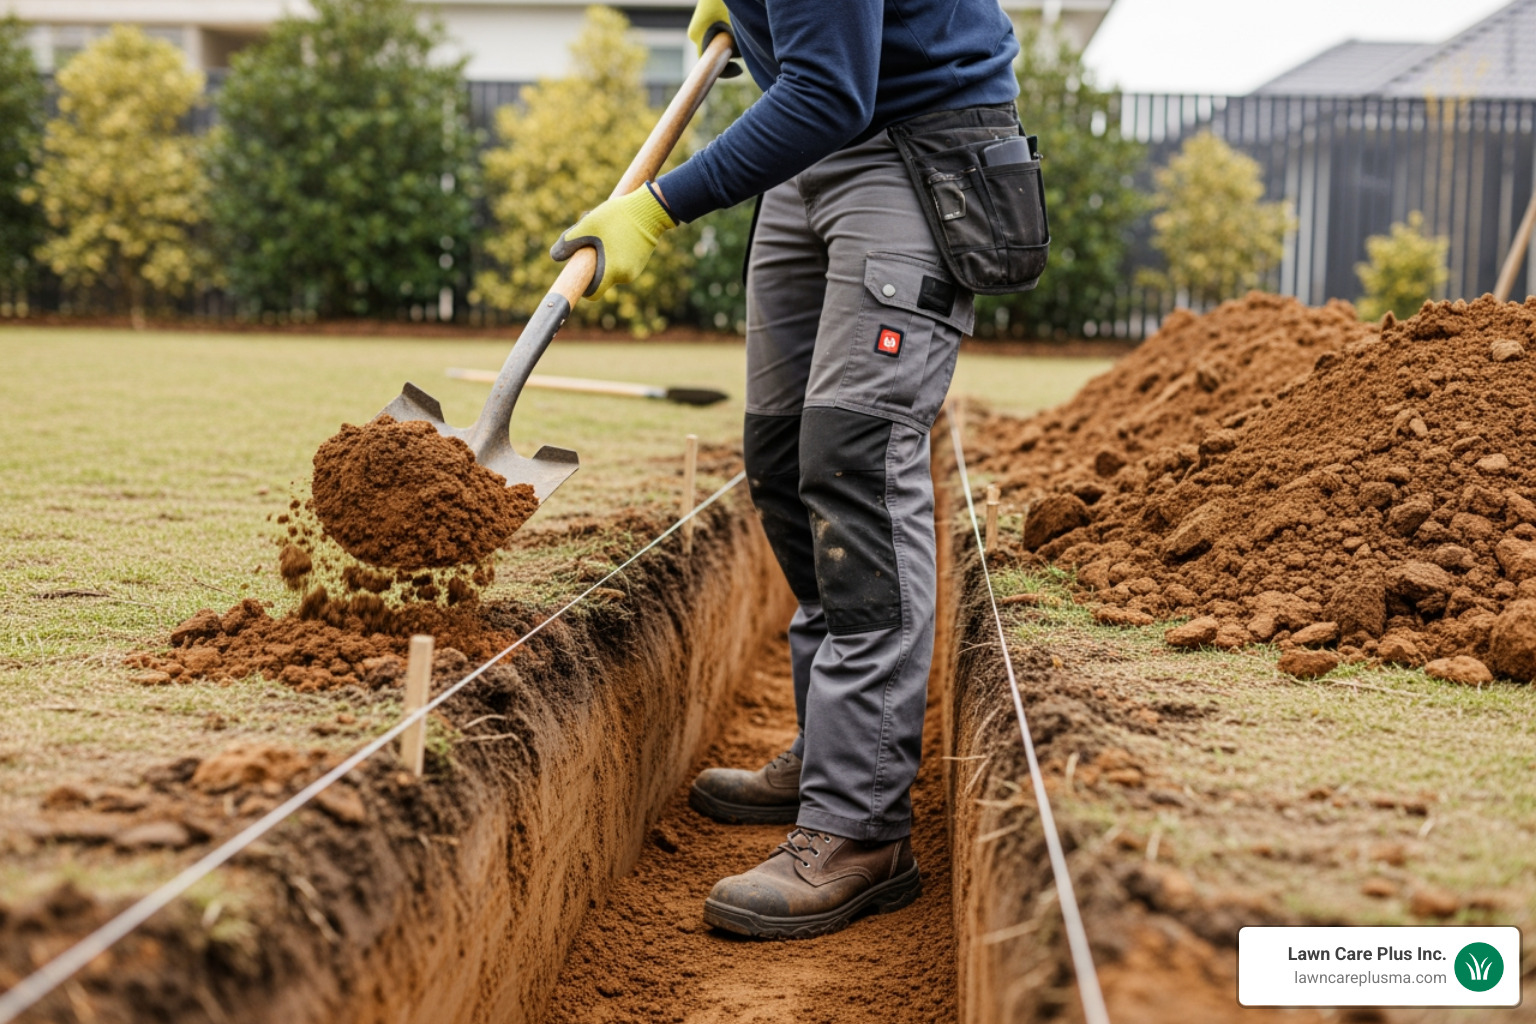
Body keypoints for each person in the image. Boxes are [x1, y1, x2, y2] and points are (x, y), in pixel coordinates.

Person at [552, 0, 1040, 940]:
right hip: (810, 158)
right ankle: (832, 747)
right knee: (780, 456)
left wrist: (659, 205)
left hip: (910, 147)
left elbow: (830, 89)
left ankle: (860, 826)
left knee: (856, 465)